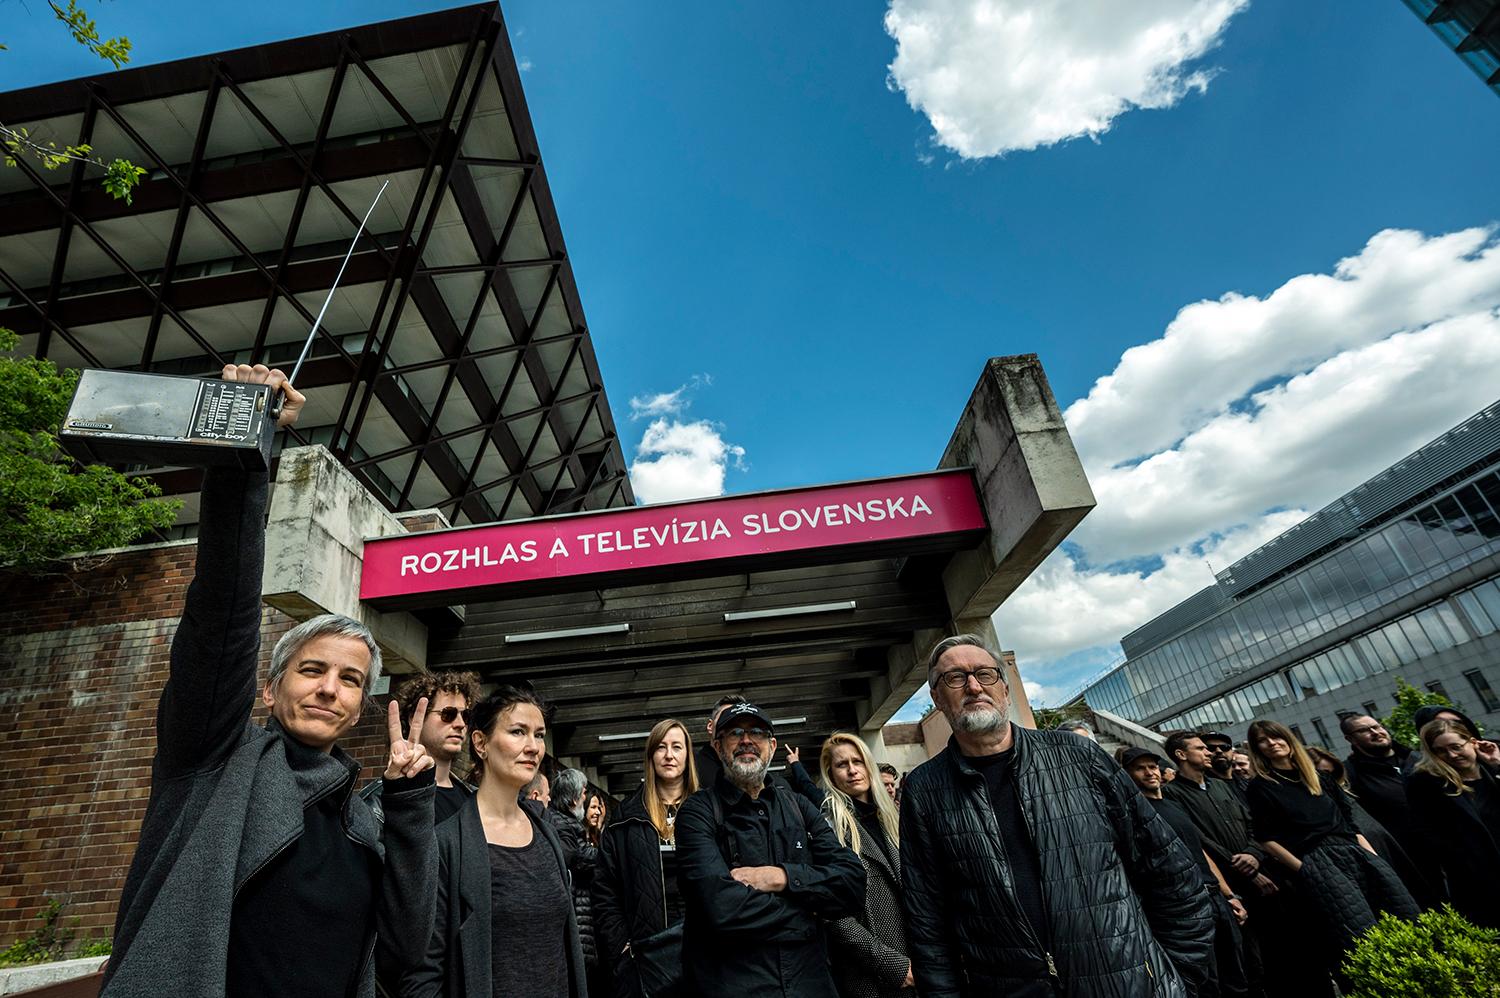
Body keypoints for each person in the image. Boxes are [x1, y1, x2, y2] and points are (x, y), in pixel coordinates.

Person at [101, 365, 437, 998]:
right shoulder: (211, 761)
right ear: (268, 688)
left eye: (349, 680)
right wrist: (243, 454)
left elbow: (406, 951)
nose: (329, 688)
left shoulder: (362, 820)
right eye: (311, 670)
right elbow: (222, 620)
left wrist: (411, 806)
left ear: (361, 706)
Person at [900, 634, 1213, 997]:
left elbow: (1170, 870)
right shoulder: (924, 790)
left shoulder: (1079, 757)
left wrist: (1177, 975)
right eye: (954, 678)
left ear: (1003, 686)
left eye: (985, 674)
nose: (973, 686)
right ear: (937, 698)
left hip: (1126, 983)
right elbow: (928, 918)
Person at [406, 685, 586, 998]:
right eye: (518, 732)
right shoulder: (449, 844)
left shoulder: (547, 836)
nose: (533, 747)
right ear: (480, 743)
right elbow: (422, 974)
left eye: (539, 735)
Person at [675, 702, 866, 995]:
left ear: (772, 745)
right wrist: (810, 913)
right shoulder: (697, 813)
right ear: (717, 746)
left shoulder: (800, 806)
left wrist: (782, 877)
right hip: (733, 986)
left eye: (758, 733)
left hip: (810, 984)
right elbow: (721, 908)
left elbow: (852, 884)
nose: (747, 740)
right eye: (735, 732)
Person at [1245, 718, 1418, 993]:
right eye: (1262, 741)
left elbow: (1350, 823)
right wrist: (1305, 869)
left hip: (1356, 852)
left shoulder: (1320, 778)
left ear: (1288, 740)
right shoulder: (1260, 787)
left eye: (1275, 736)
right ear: (1257, 749)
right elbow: (1266, 838)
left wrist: (1374, 858)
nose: (1271, 743)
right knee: (1358, 934)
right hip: (1317, 859)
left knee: (1404, 916)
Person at [1123, 747, 1249, 998]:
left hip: (1215, 898)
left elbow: (1200, 852)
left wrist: (1229, 894)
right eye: (1140, 768)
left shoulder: (1173, 805)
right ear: (1126, 775)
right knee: (1206, 982)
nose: (1150, 772)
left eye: (1153, 766)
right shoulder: (1132, 813)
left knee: (1238, 975)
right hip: (1182, 906)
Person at [595, 718, 700, 998]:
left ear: (688, 755)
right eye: (661, 747)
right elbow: (605, 888)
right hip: (646, 954)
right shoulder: (626, 817)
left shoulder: (710, 812)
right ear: (651, 755)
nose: (669, 755)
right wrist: (621, 947)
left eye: (677, 747)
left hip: (703, 948)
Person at [818, 732, 913, 998]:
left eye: (857, 761)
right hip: (873, 973)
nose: (852, 770)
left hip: (923, 960)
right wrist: (891, 964)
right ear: (831, 773)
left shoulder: (895, 819)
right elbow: (833, 915)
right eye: (841, 764)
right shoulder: (829, 828)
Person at [1406, 718, 1500, 928]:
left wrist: (1496, 765)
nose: (1451, 755)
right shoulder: (1427, 784)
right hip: (1479, 882)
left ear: (1473, 742)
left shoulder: (1492, 771)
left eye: (1456, 747)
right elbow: (1426, 835)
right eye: (1441, 751)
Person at [363, 671, 482, 826]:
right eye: (448, 714)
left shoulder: (476, 799)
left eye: (465, 716)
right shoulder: (380, 801)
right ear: (415, 718)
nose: (460, 724)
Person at [551, 770, 600, 997]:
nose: (584, 798)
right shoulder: (562, 825)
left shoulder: (566, 823)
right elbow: (576, 857)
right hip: (577, 914)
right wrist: (608, 854)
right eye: (583, 794)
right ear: (573, 799)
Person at [1340, 715, 1418, 852]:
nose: (1375, 732)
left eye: (1376, 726)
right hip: (1406, 853)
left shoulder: (1417, 758)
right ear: (1350, 739)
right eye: (1364, 730)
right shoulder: (1349, 775)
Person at [693, 694, 746, 789]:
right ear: (710, 726)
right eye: (724, 717)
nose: (732, 726)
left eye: (738, 721)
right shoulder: (691, 765)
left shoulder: (750, 767)